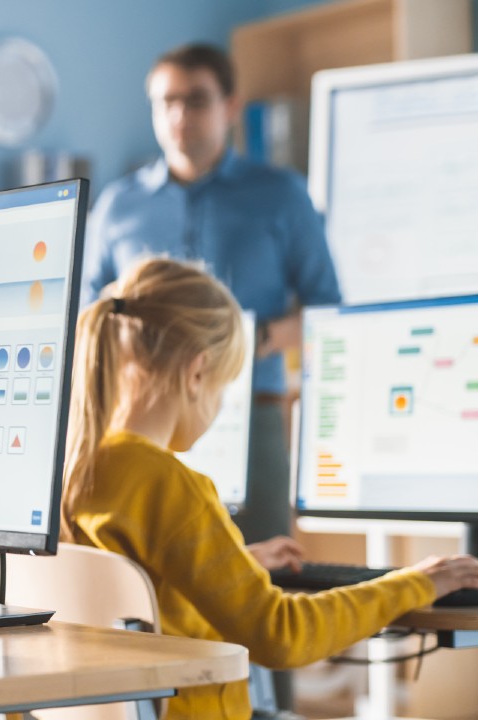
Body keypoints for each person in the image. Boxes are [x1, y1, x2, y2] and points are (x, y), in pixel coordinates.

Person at [63, 257, 478, 719]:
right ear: (197, 373)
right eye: (225, 387)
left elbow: (133, 594)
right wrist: (414, 583)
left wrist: (234, 569)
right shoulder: (171, 486)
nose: (220, 407)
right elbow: (282, 634)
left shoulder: (78, 467)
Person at [80, 43, 341, 549]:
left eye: (196, 100)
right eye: (167, 102)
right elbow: (91, 315)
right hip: (144, 418)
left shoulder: (282, 195)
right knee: (148, 583)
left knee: (263, 574)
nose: (180, 115)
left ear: (231, 106)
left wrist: (255, 338)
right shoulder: (117, 206)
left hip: (251, 414)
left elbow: (326, 311)